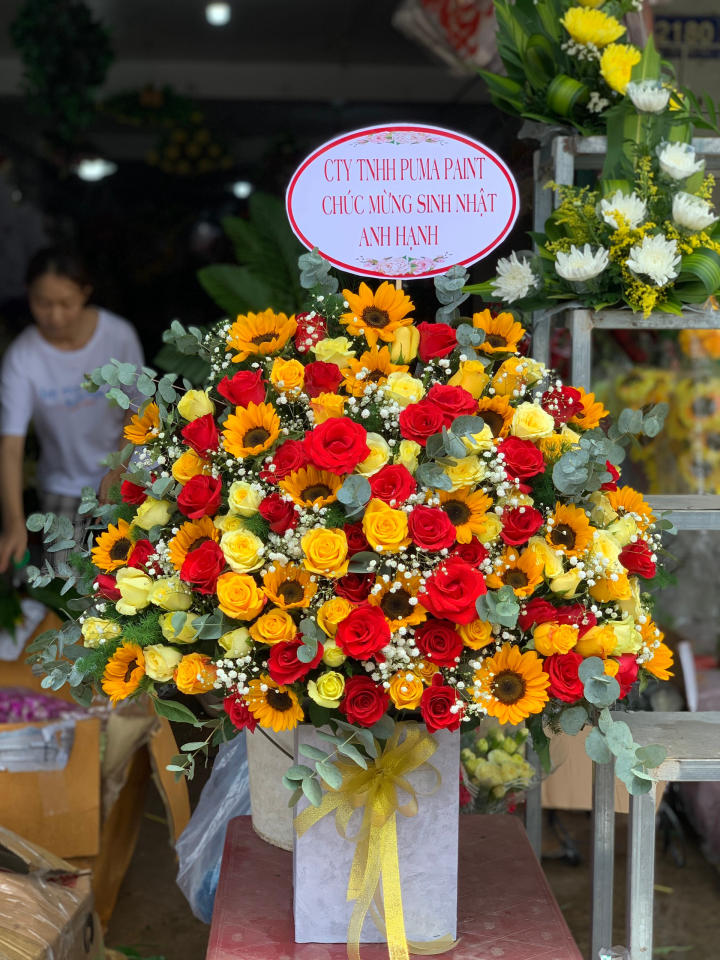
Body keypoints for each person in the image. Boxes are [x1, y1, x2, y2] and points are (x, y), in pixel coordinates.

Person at [0, 247, 144, 572]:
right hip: (62, 488)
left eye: (66, 303)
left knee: (131, 580)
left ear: (85, 292)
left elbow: (138, 406)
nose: (55, 316)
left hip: (122, 475)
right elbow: (10, 445)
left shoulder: (117, 336)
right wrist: (14, 522)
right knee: (66, 588)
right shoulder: (23, 357)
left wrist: (120, 467)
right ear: (28, 295)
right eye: (43, 303)